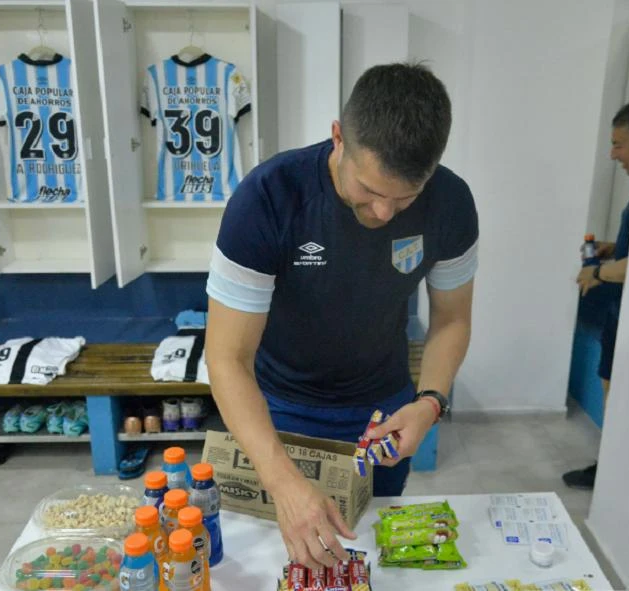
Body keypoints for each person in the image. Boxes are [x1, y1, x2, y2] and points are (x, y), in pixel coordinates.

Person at [204, 62, 478, 570]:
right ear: (337, 138)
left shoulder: (452, 203)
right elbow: (225, 358)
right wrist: (284, 483)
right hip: (277, 411)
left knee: (372, 559)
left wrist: (430, 402)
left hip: (384, 413)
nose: (383, 214)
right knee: (274, 564)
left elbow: (452, 320)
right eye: (370, 190)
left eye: (405, 198)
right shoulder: (268, 199)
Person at [564, 98, 629, 490]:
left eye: (619, 144)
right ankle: (610, 467)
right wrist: (614, 247)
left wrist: (597, 271)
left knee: (622, 399)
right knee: (610, 388)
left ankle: (617, 478)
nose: (613, 154)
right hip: (621, 311)